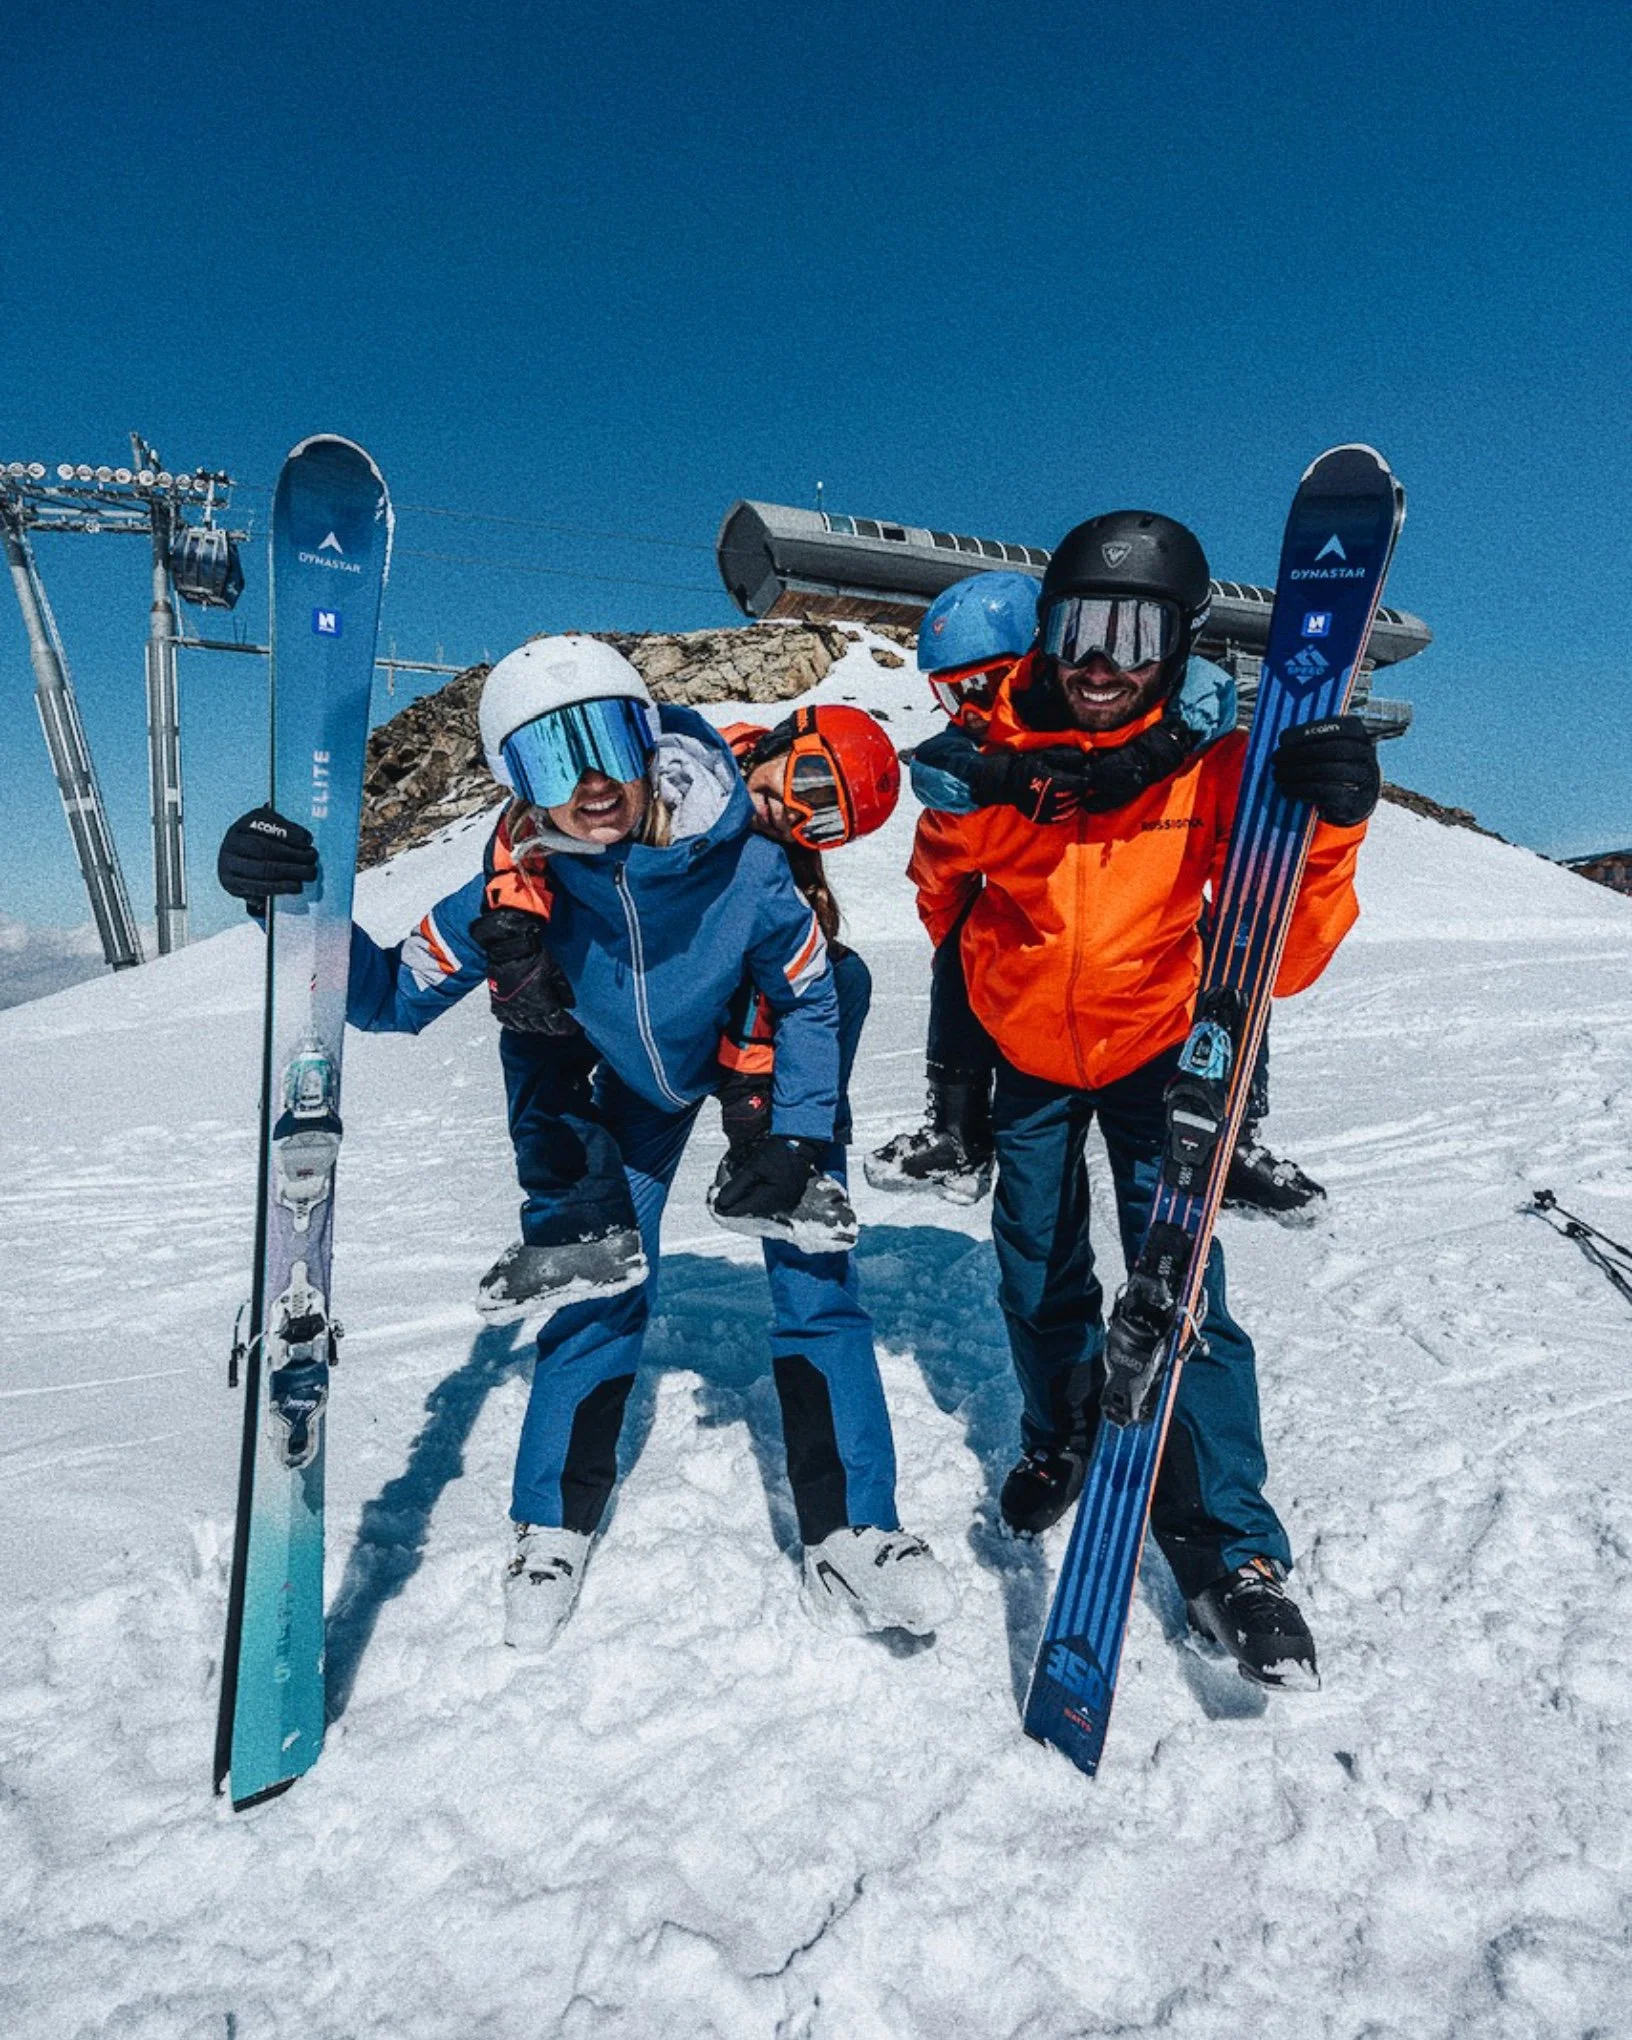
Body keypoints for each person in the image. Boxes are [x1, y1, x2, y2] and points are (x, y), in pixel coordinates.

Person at [217, 636, 953, 1652]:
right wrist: (291, 906)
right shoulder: (513, 888)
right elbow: (386, 995)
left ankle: (857, 1528)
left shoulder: (747, 862)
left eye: (606, 740)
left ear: (649, 737)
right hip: (640, 1100)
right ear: (518, 782)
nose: (593, 782)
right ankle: (553, 1524)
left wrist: (794, 1139)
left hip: (758, 1072)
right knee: (599, 1280)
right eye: (552, 761)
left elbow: (813, 996)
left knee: (819, 1277)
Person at [907, 512, 1381, 1687]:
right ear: (1047, 630)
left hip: (1155, 1057)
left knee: (1182, 1293)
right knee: (1034, 1265)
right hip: (1027, 1060)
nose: (1102, 661)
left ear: (1178, 646)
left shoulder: (1214, 761)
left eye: (1136, 633)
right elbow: (940, 899)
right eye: (1080, 627)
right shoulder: (992, 750)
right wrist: (986, 820)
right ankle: (1059, 1426)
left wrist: (1329, 831)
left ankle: (1233, 1557)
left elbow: (1282, 947)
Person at [474, 701, 901, 1318]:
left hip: (726, 1040)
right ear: (783, 739)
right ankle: (580, 1223)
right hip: (632, 1007)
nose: (795, 814)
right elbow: (536, 809)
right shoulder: (682, 766)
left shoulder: (775, 868)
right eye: (807, 782)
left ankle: (788, 1164)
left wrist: (795, 1133)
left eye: (825, 823)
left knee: (838, 976)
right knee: (540, 1050)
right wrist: (514, 917)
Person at [866, 569, 1237, 1203]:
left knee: (1223, 940)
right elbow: (941, 775)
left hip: (1150, 1040)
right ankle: (955, 1122)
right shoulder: (979, 771)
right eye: (954, 696)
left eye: (985, 686)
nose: (975, 713)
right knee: (961, 942)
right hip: (1033, 1051)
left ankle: (1241, 1127)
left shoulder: (1166, 724)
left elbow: (1206, 692)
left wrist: (1158, 750)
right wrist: (990, 960)